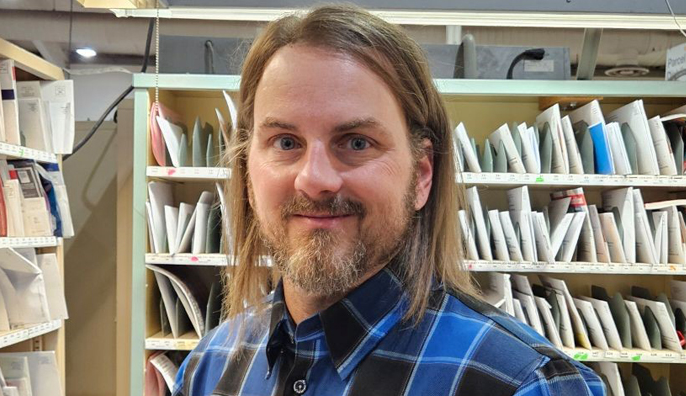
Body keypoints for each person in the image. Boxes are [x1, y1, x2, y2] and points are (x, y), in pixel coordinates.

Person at [173, 4, 605, 396]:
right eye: (285, 141)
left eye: (356, 142)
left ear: (420, 176)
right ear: (248, 175)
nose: (314, 179)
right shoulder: (206, 369)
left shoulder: (524, 384)